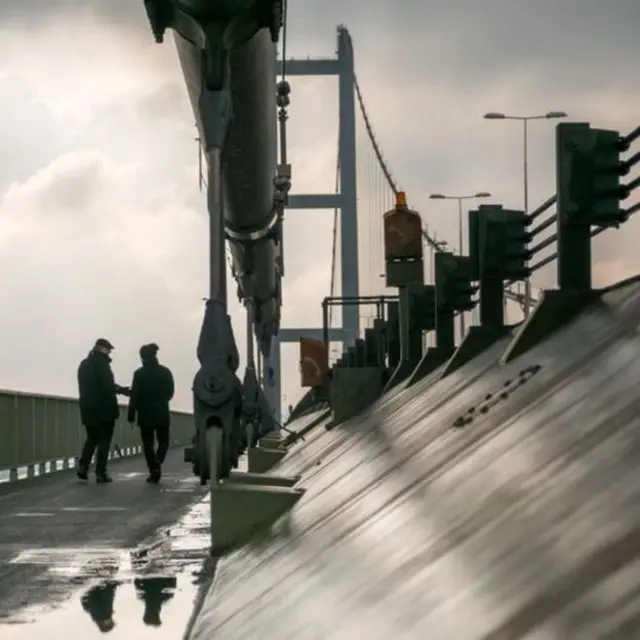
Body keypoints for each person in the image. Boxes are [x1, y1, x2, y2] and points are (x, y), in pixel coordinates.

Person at [77, 338, 130, 483]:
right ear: (102, 349)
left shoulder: (84, 364)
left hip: (87, 408)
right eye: (108, 349)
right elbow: (107, 385)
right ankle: (101, 472)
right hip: (104, 409)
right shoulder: (102, 364)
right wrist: (121, 390)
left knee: (91, 439)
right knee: (104, 441)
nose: (110, 352)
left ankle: (83, 466)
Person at [127, 343, 175, 483]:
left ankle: (153, 470)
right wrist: (162, 401)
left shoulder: (139, 374)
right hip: (161, 412)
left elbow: (134, 396)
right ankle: (158, 461)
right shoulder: (165, 372)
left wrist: (131, 416)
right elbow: (170, 392)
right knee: (163, 442)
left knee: (147, 444)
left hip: (145, 413)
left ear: (143, 358)